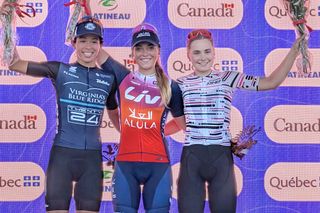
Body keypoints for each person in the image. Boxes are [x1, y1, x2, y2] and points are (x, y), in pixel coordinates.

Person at [171, 29, 303, 213]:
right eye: (197, 52)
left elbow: (271, 82)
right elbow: (169, 122)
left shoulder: (229, 78)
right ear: (188, 55)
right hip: (192, 158)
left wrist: (295, 49)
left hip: (221, 159)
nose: (203, 57)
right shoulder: (178, 84)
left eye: (207, 51)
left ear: (214, 52)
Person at [3, 11, 119, 213]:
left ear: (100, 45)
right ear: (74, 43)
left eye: (94, 41)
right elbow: (14, 63)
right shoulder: (60, 70)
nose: (88, 47)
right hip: (62, 158)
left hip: (91, 162)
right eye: (83, 40)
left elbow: (117, 117)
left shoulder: (109, 79)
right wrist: (6, 22)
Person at [96, 23, 186, 212]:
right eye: (139, 48)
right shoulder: (123, 77)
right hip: (125, 165)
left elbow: (181, 124)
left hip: (158, 165)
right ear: (132, 53)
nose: (145, 53)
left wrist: (156, 129)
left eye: (150, 47)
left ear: (158, 50)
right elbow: (95, 51)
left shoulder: (171, 87)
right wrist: (81, 12)